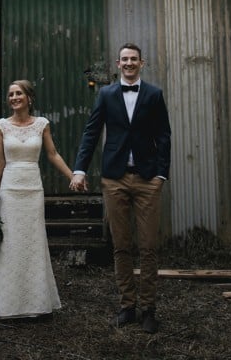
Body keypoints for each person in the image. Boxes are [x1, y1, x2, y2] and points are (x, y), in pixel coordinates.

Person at [71, 43, 171, 333]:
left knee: (149, 247)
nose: (129, 63)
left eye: (134, 59)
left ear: (142, 62)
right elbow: (91, 132)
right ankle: (127, 306)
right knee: (121, 245)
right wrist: (80, 168)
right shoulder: (106, 94)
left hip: (147, 179)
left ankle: (149, 309)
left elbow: (164, 135)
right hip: (114, 179)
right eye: (124, 59)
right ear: (118, 63)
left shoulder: (154, 94)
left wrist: (161, 175)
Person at [0, 79, 75, 319]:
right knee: (10, 245)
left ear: (29, 98)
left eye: (18, 93)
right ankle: (10, 306)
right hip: (10, 191)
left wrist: (72, 176)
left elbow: (53, 154)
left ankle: (37, 303)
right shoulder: (0, 126)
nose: (14, 97)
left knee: (34, 244)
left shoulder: (42, 124)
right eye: (11, 94)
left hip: (33, 190)